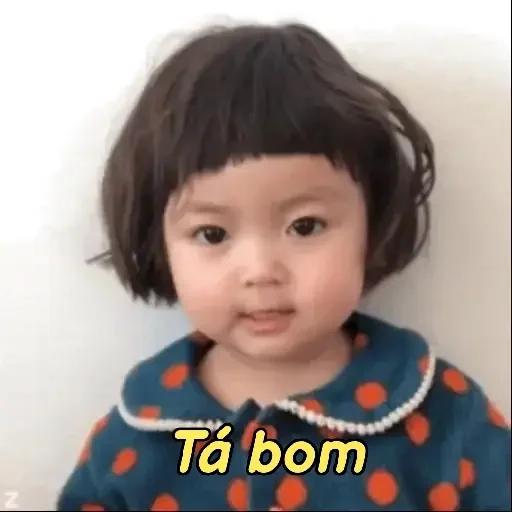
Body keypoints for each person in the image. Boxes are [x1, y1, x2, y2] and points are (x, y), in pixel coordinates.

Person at [56, 22, 510, 511]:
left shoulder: (447, 419)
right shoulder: (133, 438)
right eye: (213, 234)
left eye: (305, 226)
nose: (260, 270)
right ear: (159, 243)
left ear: (373, 224)